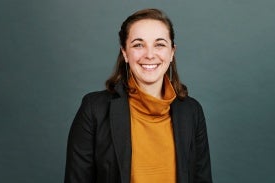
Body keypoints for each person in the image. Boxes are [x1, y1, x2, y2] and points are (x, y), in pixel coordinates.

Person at [64, 8, 213, 183]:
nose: (149, 55)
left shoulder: (192, 111)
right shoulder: (94, 109)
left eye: (159, 44)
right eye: (138, 45)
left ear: (172, 52)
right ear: (125, 53)